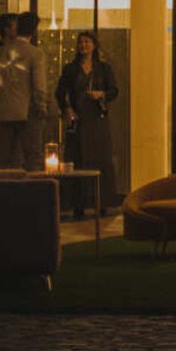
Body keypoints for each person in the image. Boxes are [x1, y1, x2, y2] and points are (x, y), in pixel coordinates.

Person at [55, 30, 120, 214]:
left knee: (101, 158)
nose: (83, 45)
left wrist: (101, 94)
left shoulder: (103, 68)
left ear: (94, 45)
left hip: (97, 119)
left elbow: (114, 91)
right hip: (77, 118)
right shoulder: (70, 69)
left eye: (87, 42)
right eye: (81, 42)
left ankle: (102, 202)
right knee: (76, 158)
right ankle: (78, 204)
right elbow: (60, 93)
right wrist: (67, 109)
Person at [0, 11, 49, 170]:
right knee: (32, 156)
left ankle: (3, 192)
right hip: (29, 112)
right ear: (33, 31)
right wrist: (41, 106)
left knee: (3, 158)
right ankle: (34, 193)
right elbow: (39, 85)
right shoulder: (35, 53)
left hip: (4, 112)